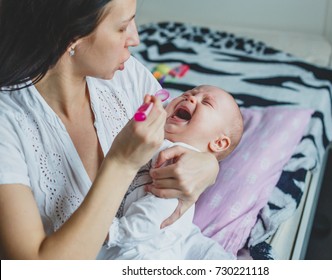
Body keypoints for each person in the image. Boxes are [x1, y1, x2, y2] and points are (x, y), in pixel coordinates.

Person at [0, 0, 219, 260]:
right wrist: (122, 162)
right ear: (71, 36)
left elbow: (184, 138)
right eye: (123, 27)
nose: (135, 39)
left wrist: (208, 166)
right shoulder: (8, 124)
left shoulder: (126, 76)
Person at [103, 85, 244, 259]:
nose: (190, 98)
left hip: (144, 244)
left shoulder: (178, 159)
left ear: (219, 143)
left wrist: (115, 231)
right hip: (170, 237)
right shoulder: (158, 139)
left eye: (206, 103)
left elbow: (158, 209)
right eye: (187, 93)